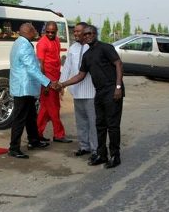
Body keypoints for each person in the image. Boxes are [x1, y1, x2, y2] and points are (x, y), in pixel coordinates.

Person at [57, 25, 124, 169]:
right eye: (85, 34)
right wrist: (63, 84)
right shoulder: (87, 55)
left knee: (112, 125)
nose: (88, 36)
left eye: (90, 33)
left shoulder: (106, 47)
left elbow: (118, 64)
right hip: (99, 92)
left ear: (95, 34)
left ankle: (115, 156)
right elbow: (80, 75)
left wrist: (118, 87)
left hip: (112, 90)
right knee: (99, 124)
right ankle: (101, 154)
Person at [8, 22, 58, 159]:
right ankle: (13, 148)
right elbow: (32, 68)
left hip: (26, 87)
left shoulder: (20, 42)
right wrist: (47, 82)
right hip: (23, 88)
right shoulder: (24, 45)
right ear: (28, 31)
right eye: (34, 30)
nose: (36, 32)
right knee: (19, 118)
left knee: (31, 117)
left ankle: (34, 140)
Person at [60, 22, 98, 158]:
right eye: (74, 31)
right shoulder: (73, 48)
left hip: (92, 92)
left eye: (78, 31)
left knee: (93, 123)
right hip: (76, 92)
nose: (75, 33)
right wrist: (61, 85)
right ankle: (84, 146)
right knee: (81, 122)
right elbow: (67, 68)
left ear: (86, 32)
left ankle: (96, 150)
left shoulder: (93, 47)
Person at [36, 21, 72, 143]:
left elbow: (56, 60)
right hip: (47, 80)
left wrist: (60, 80)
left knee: (46, 109)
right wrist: (45, 83)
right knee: (53, 108)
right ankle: (59, 134)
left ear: (56, 31)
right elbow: (41, 65)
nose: (50, 34)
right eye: (48, 32)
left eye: (53, 32)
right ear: (45, 30)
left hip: (56, 78)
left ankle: (37, 133)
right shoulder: (42, 43)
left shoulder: (57, 40)